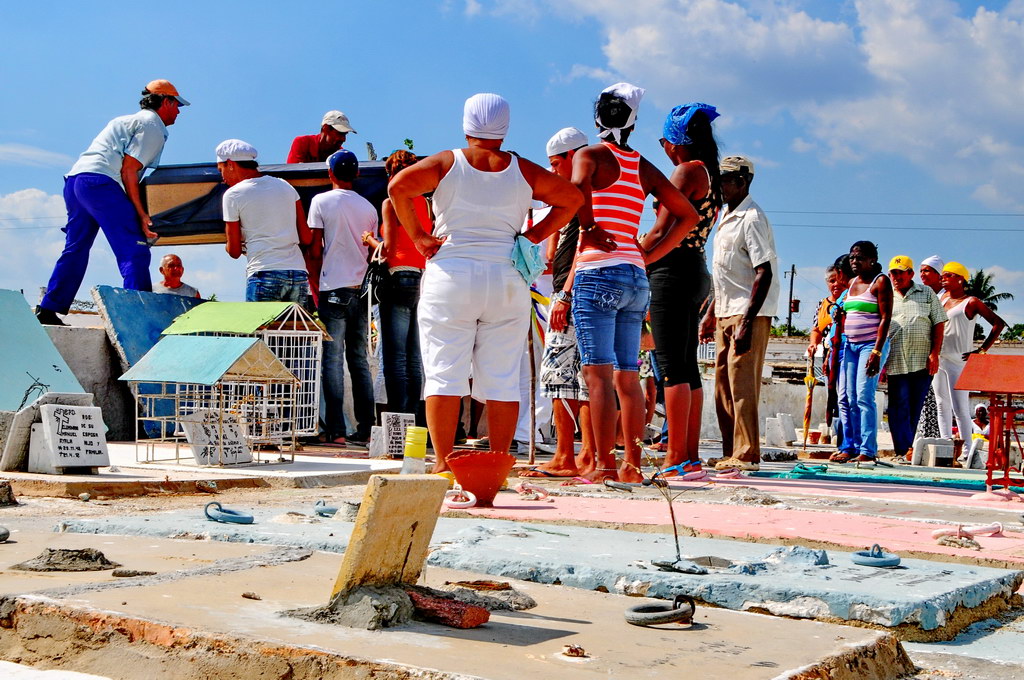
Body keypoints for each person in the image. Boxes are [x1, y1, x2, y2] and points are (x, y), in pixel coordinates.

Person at [387, 93, 583, 476]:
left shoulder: (447, 163)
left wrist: (420, 238)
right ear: (506, 126)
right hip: (506, 276)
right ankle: (496, 465)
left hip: (451, 273)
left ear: (466, 124)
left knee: (444, 372)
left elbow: (398, 188)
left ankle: (444, 463)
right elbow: (571, 198)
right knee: (502, 378)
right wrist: (531, 236)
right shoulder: (523, 170)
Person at [570, 83, 699, 483]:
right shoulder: (641, 165)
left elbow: (575, 191)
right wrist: (648, 255)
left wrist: (588, 226)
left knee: (597, 376)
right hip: (634, 275)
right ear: (633, 122)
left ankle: (605, 464)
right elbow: (688, 216)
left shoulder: (588, 155)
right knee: (628, 376)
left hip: (597, 272)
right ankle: (632, 465)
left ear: (597, 119)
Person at [36, 80, 189, 325]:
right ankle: (140, 319)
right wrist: (141, 214)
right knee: (134, 249)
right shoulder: (153, 125)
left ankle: (48, 308)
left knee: (76, 248)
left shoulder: (123, 120)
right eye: (177, 105)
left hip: (76, 182)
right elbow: (129, 170)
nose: (179, 111)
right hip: (101, 185)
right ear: (166, 102)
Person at [640, 102, 721, 478]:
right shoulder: (711, 172)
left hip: (671, 270)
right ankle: (689, 455)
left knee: (671, 367)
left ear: (676, 142)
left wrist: (634, 256)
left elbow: (660, 229)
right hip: (695, 268)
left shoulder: (686, 171)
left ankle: (675, 456)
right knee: (688, 367)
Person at [521, 127, 597, 479]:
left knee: (563, 376)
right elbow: (553, 254)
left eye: (555, 164)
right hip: (574, 290)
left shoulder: (583, 195)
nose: (553, 172)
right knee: (579, 378)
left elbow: (582, 250)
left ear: (571, 158)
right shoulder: (577, 194)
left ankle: (569, 455)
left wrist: (564, 294)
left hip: (572, 292)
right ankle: (584, 455)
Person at [699, 156, 779, 472]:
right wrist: (709, 314)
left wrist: (747, 321)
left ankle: (747, 453)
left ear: (742, 181)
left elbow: (764, 272)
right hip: (725, 311)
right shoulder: (726, 217)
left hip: (750, 314)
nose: (719, 185)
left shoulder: (752, 218)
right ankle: (731, 450)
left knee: (743, 385)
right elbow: (725, 275)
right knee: (722, 386)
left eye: (725, 179)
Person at [307, 150, 379, 447]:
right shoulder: (369, 208)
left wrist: (315, 281)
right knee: (359, 360)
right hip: (361, 289)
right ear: (357, 174)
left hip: (332, 287)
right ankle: (366, 428)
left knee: (332, 361)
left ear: (330, 173)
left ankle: (336, 430)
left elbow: (313, 248)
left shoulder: (320, 202)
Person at [373, 149, 432, 418]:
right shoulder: (424, 204)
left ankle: (398, 417)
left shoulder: (391, 202)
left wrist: (369, 240)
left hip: (397, 275)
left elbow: (388, 248)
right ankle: (415, 418)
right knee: (414, 356)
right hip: (422, 276)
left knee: (395, 357)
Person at [218, 140, 312, 304]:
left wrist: (233, 243)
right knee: (295, 330)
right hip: (298, 273)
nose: (222, 177)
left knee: (263, 330)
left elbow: (233, 251)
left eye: (221, 170)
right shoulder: (285, 186)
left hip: (264, 272)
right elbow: (306, 237)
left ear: (231, 164)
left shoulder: (232, 195)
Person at [830, 241, 892, 465]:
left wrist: (876, 350)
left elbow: (885, 317)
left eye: (859, 258)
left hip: (870, 346)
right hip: (850, 346)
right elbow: (847, 310)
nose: (854, 261)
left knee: (863, 397)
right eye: (852, 257)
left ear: (871, 260)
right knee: (845, 397)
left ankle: (868, 449)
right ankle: (850, 445)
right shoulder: (852, 282)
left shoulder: (880, 282)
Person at [933, 261, 1006, 440]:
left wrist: (981, 350)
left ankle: (966, 450)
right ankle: (946, 445)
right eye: (943, 275)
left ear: (961, 279)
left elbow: (998, 324)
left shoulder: (971, 302)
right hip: (939, 358)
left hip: (959, 360)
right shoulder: (942, 299)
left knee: (960, 408)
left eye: (949, 275)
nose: (944, 278)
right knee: (941, 405)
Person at [884, 255, 945, 460]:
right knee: (897, 405)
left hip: (922, 360)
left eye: (900, 272)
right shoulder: (886, 294)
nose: (896, 277)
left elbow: (938, 323)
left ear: (910, 274)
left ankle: (905, 448)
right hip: (894, 359)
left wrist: (935, 353)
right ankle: (903, 448)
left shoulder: (926, 293)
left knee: (914, 405)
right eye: (893, 273)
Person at [915, 254, 945, 441]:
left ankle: (939, 439)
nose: (923, 274)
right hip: (922, 353)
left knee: (939, 400)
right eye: (921, 271)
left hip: (941, 354)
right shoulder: (923, 295)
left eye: (927, 270)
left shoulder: (945, 297)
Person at [286, 111, 356, 164]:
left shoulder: (341, 155)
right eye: (340, 133)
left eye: (345, 134)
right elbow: (291, 176)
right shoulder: (302, 143)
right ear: (326, 128)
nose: (343, 139)